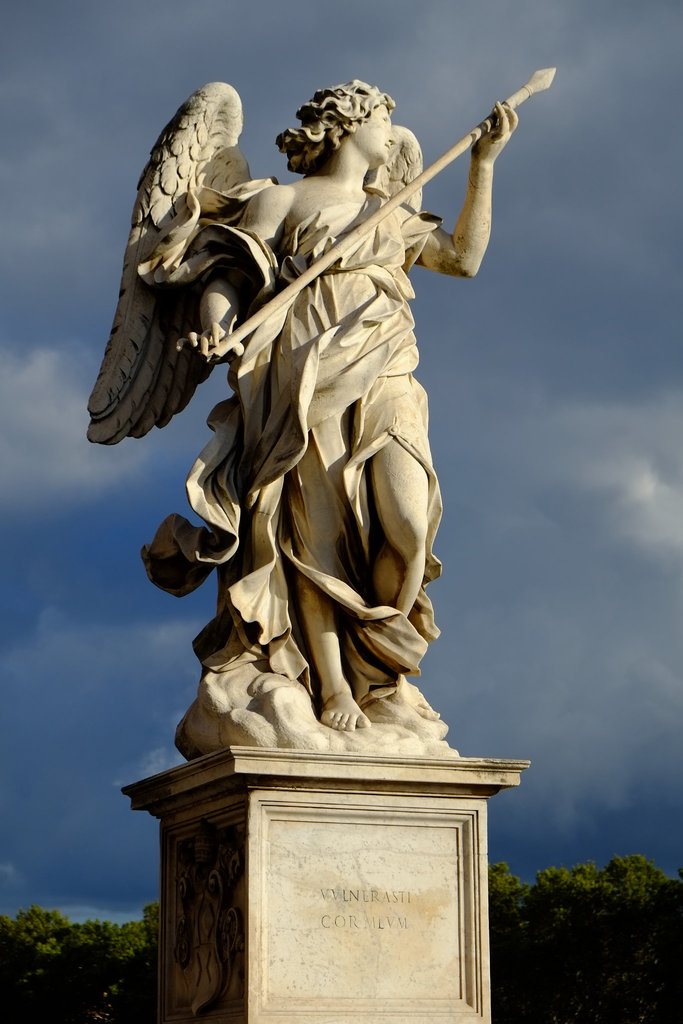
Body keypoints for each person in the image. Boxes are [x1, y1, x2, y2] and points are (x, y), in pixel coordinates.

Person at [141, 80, 517, 743]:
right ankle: (339, 683)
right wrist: (216, 327)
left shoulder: (390, 210)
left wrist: (482, 165)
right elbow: (229, 275)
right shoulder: (282, 201)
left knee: (406, 522)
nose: (392, 135)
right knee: (313, 531)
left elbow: (462, 259)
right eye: (381, 121)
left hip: (388, 366)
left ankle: (383, 664)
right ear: (344, 128)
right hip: (304, 371)